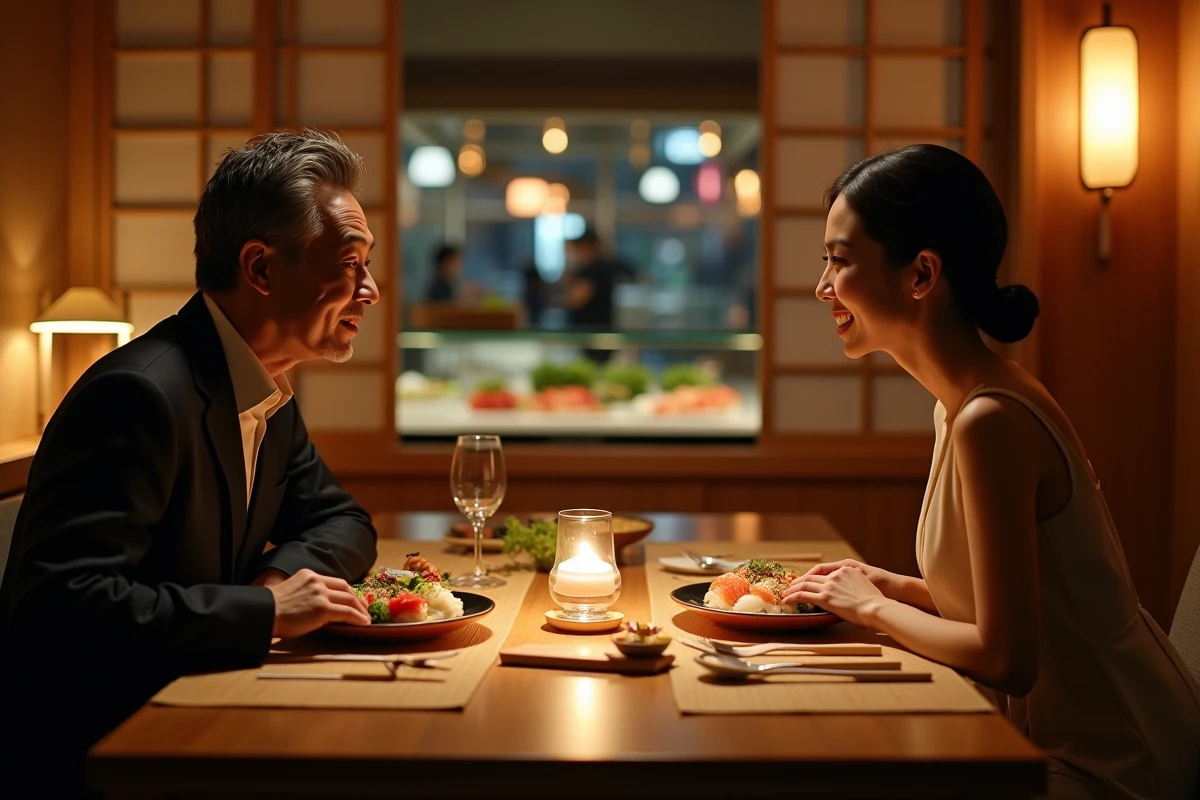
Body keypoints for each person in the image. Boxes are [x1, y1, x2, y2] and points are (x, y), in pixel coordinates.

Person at [779, 144, 1200, 799]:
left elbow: (1009, 659)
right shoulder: (961, 407)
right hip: (1054, 739)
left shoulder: (988, 420)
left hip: (1114, 758)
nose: (822, 286)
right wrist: (894, 588)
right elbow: (1008, 605)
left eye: (839, 259)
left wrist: (871, 608)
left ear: (921, 275)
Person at [0, 130, 380, 794]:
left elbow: (343, 520)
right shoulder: (139, 396)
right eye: (351, 263)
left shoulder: (265, 387)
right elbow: (59, 609)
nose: (369, 291)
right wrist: (263, 615)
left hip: (207, 706)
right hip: (106, 750)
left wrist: (276, 583)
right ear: (260, 269)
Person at [562, 227, 634, 363]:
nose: (576, 252)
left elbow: (577, 299)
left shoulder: (596, 269)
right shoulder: (590, 269)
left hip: (596, 335)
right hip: (591, 334)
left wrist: (554, 302)